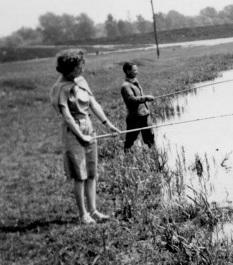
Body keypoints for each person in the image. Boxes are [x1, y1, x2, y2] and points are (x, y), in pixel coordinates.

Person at [49, 48, 120, 224]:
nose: (82, 69)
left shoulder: (81, 81)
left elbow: (93, 103)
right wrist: (81, 135)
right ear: (70, 68)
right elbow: (66, 117)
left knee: (91, 172)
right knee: (79, 175)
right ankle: (83, 215)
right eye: (80, 66)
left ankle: (94, 211)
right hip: (73, 132)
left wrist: (108, 124)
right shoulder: (60, 88)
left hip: (88, 128)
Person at [120, 62, 155, 151]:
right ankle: (127, 159)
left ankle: (151, 155)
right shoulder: (125, 86)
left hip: (144, 115)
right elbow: (132, 99)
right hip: (135, 118)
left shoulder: (135, 81)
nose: (137, 72)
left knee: (150, 138)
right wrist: (146, 98)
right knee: (130, 141)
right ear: (128, 71)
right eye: (134, 70)